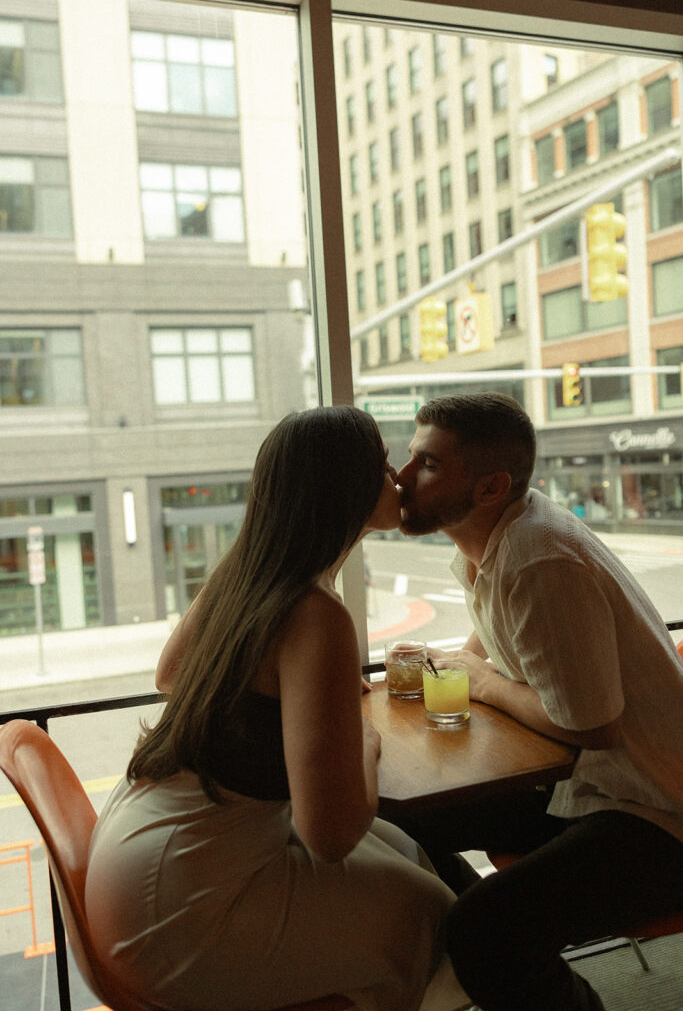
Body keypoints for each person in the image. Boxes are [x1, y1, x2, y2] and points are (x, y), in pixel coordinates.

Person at [85, 406, 468, 1011]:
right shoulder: (316, 615)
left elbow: (172, 673)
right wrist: (362, 746)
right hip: (179, 915)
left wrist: (295, 698)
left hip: (134, 863)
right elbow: (331, 835)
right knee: (445, 924)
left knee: (403, 849)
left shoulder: (247, 575)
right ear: (341, 487)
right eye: (380, 462)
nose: (395, 475)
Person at [391, 392, 683, 1011]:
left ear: (492, 486)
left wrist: (479, 679)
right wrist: (457, 662)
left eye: (428, 465)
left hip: (657, 809)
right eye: (411, 457)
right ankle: (485, 958)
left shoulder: (539, 558)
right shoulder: (494, 541)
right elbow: (504, 634)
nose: (402, 476)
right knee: (401, 816)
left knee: (484, 928)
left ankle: (490, 950)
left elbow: (593, 726)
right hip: (592, 786)